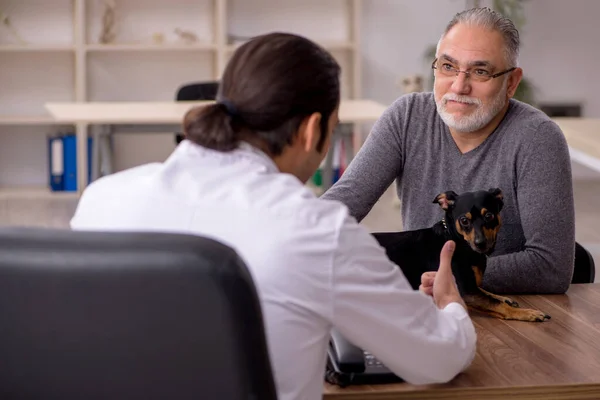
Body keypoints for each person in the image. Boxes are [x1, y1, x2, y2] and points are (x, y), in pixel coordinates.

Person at [70, 32, 476, 400]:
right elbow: (437, 359)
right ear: (311, 130)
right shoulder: (316, 230)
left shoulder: (102, 199)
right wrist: (450, 307)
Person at [322, 7, 576, 295]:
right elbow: (341, 204)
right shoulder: (407, 117)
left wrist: (448, 275)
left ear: (511, 83)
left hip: (509, 313)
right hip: (428, 307)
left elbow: (551, 267)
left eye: (480, 71)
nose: (458, 86)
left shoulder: (537, 138)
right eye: (447, 67)